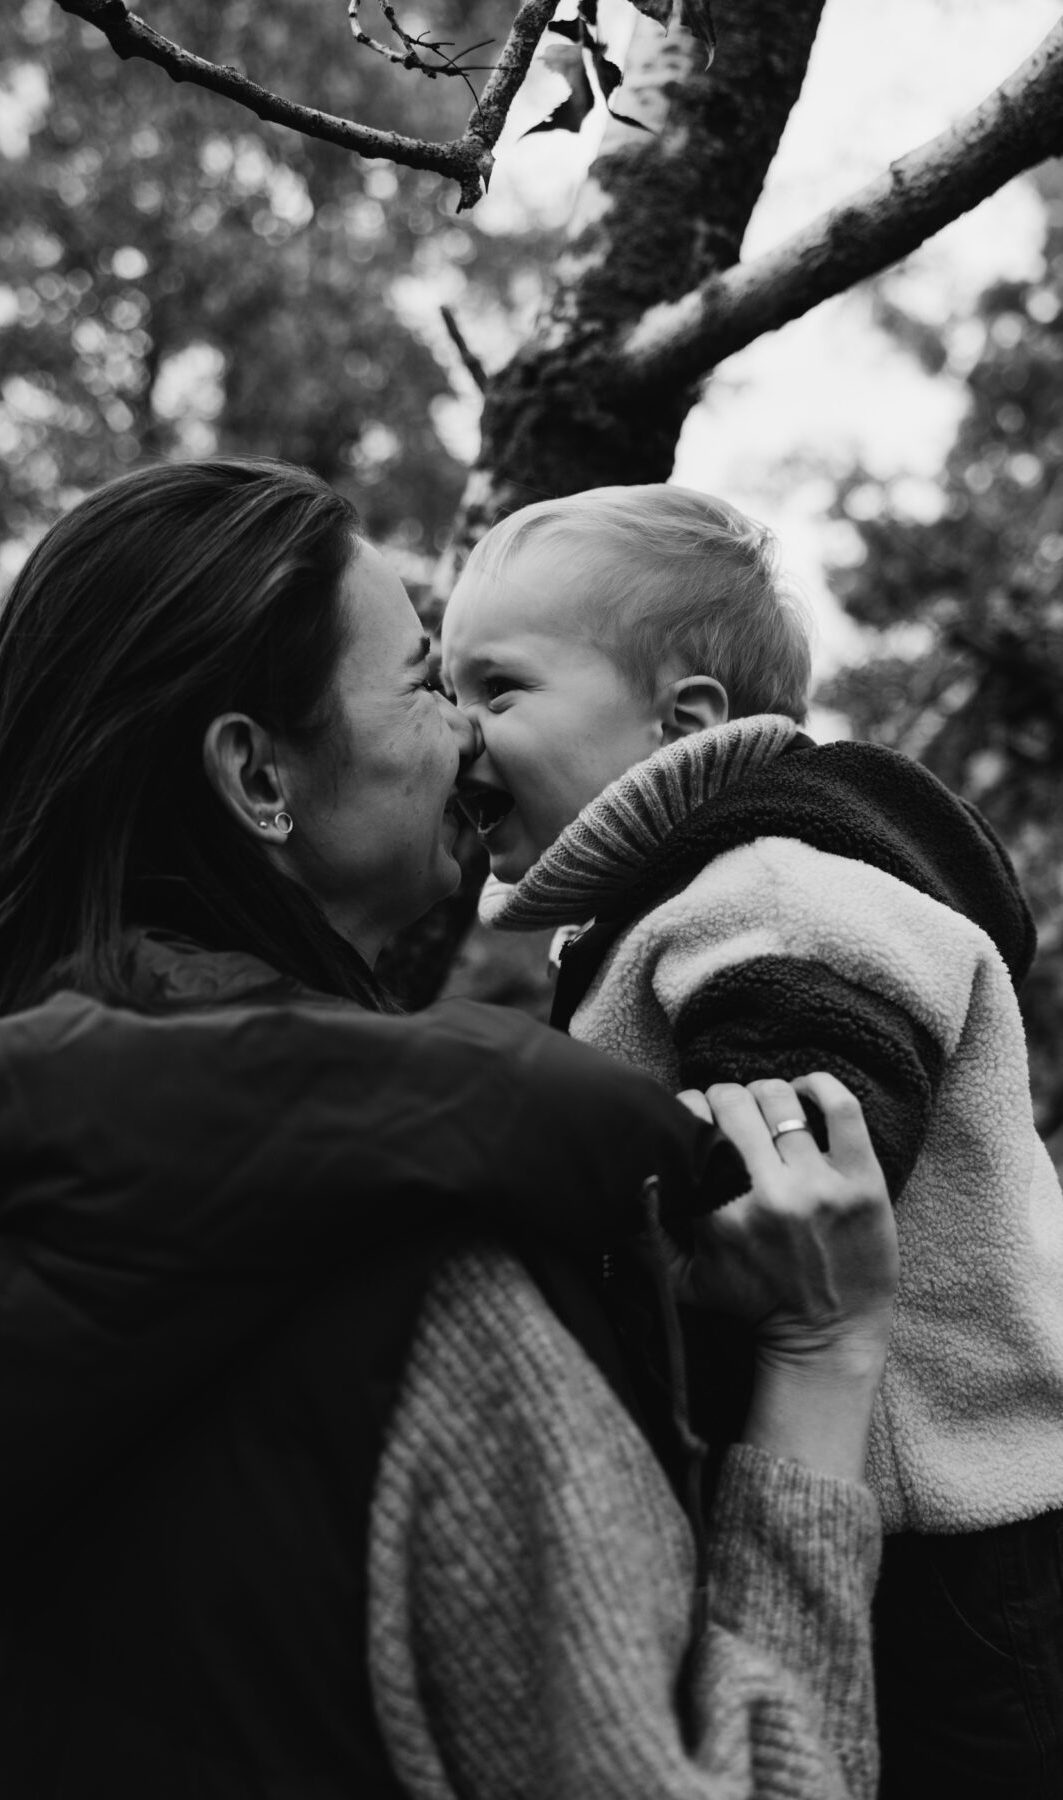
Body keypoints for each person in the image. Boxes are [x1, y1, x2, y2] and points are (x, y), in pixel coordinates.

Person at [0, 458, 897, 1800]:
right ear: (258, 778)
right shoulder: (412, 1242)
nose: (471, 739)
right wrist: (825, 1359)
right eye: (425, 683)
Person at [441, 479, 1063, 1800]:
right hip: (876, 1517)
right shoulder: (692, 896)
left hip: (935, 1541)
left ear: (686, 721)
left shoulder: (774, 884)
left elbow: (805, 1152)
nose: (456, 735)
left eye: (496, 689)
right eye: (441, 691)